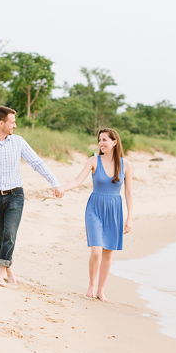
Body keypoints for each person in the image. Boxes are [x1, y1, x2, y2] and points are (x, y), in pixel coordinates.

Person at [0, 106, 64, 287]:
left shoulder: (18, 142)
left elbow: (36, 163)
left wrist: (54, 182)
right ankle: (10, 273)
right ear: (1, 123)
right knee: (0, 239)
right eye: (12, 122)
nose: (15, 125)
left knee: (10, 235)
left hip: (16, 196)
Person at [58, 128, 133, 302]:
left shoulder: (125, 164)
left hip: (115, 210)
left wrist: (129, 218)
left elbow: (129, 193)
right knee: (97, 251)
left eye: (105, 140)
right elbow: (78, 180)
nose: (101, 143)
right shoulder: (94, 161)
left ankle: (101, 290)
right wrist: (62, 188)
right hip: (95, 208)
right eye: (100, 140)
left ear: (115, 142)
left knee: (108, 253)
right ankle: (92, 284)